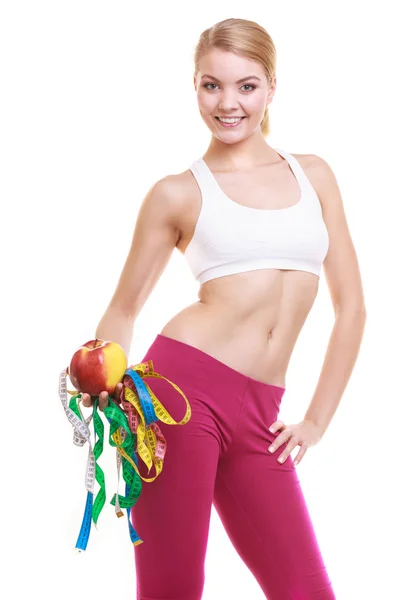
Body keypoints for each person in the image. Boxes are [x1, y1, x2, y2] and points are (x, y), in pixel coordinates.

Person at [81, 17, 366, 600]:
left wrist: (316, 420)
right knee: (173, 587)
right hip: (177, 398)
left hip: (263, 413)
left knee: (306, 591)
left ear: (271, 88)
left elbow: (353, 308)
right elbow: (124, 307)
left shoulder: (314, 176)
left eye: (246, 86)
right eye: (212, 85)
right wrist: (104, 376)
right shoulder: (178, 192)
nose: (228, 103)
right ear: (194, 86)